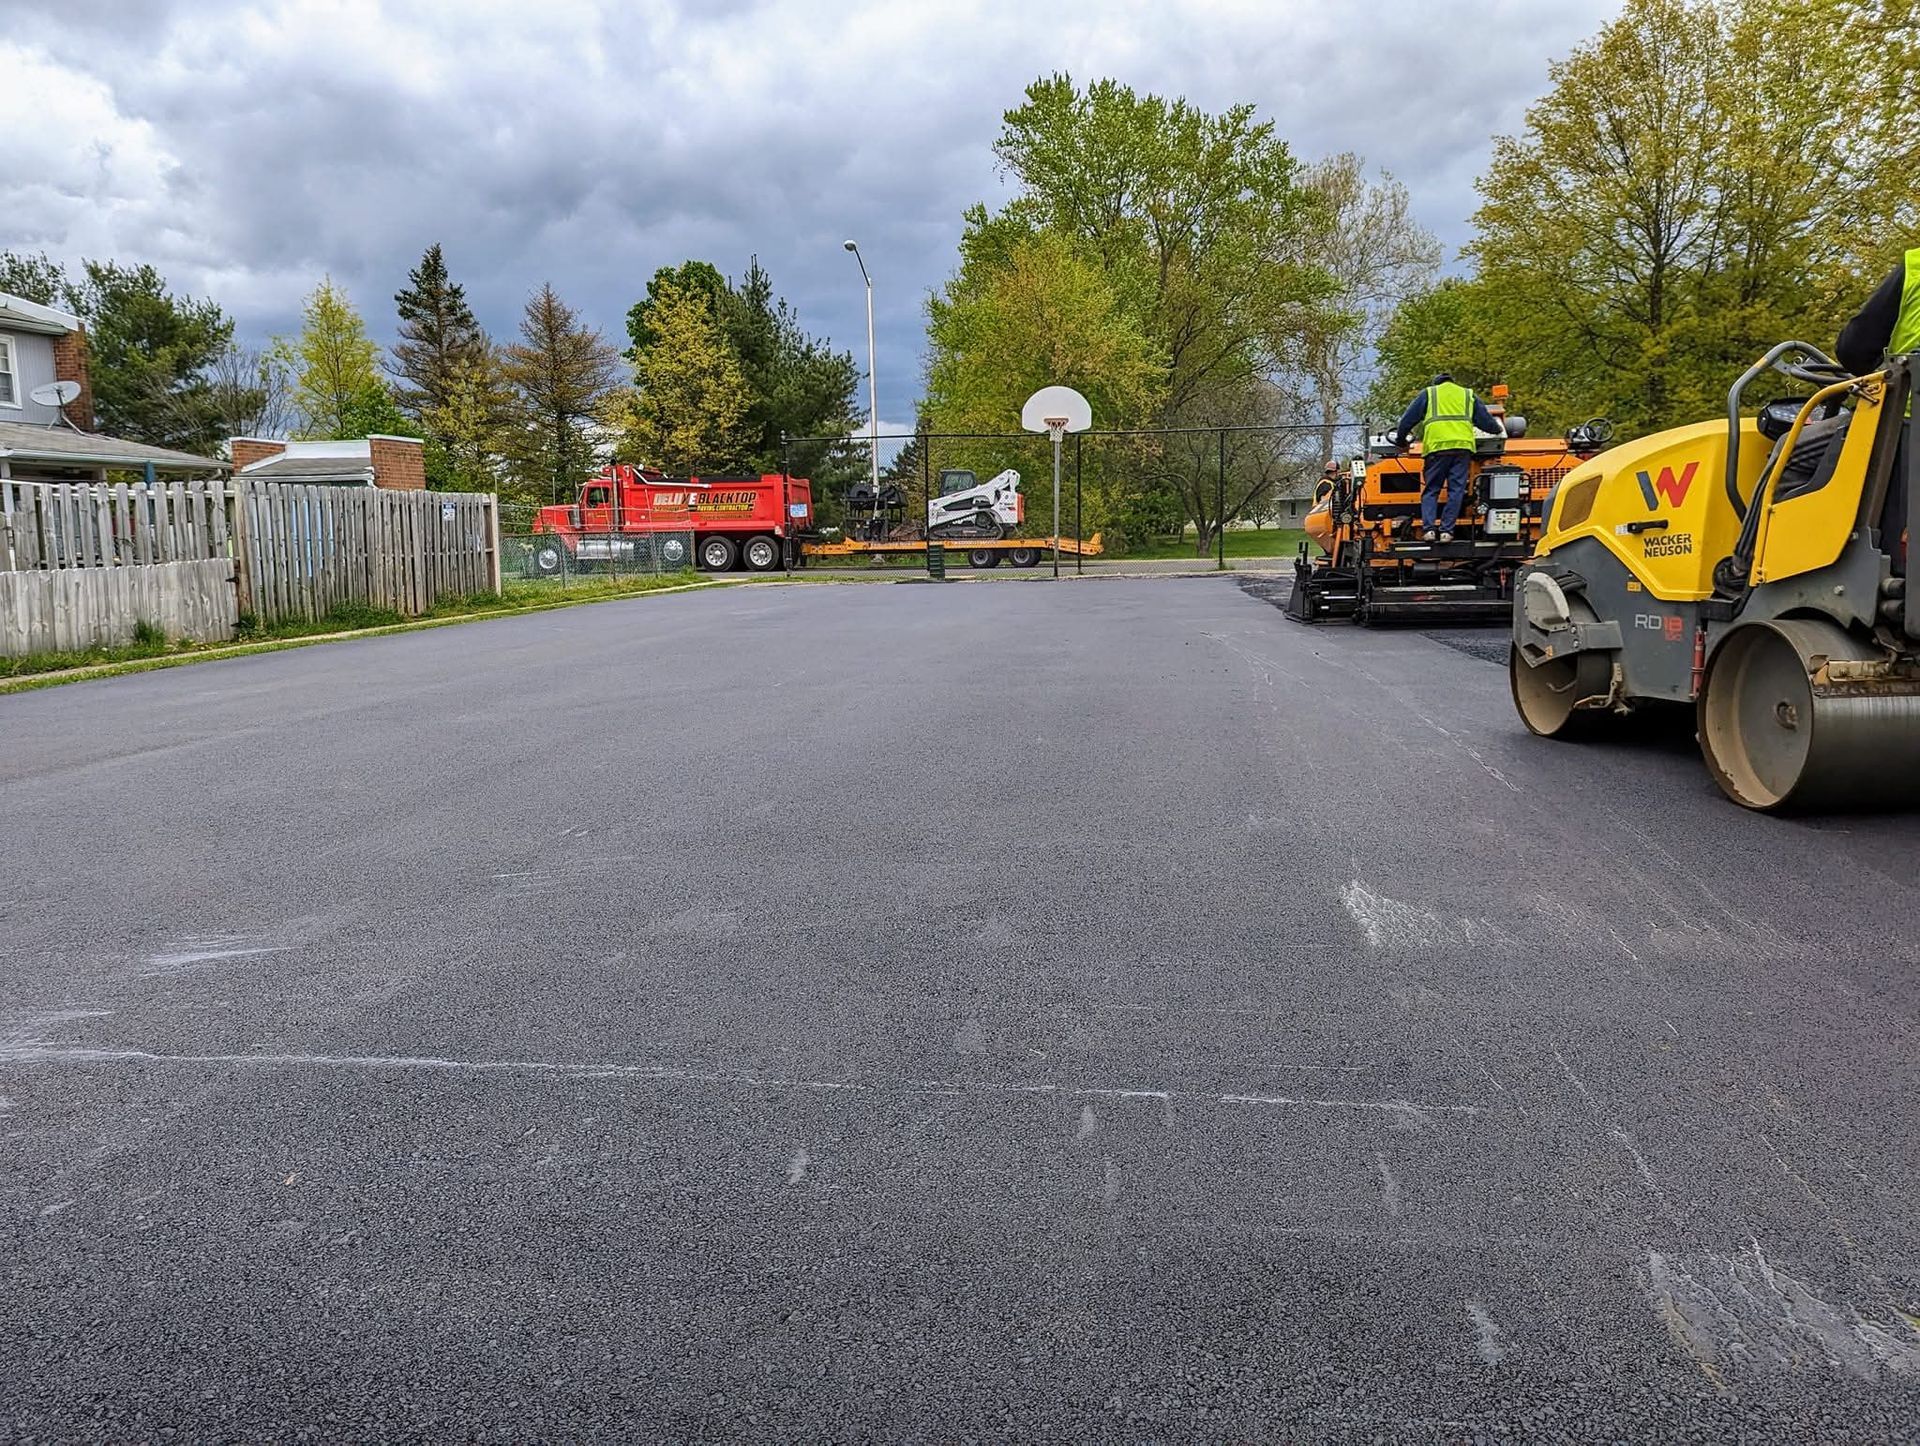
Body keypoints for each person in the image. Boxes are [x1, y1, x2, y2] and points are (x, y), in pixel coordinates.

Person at [1836, 251, 1917, 571]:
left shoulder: (1915, 268)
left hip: (1905, 427)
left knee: (1792, 460)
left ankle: (1747, 567)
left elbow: (1854, 349)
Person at [1392, 373, 1501, 541]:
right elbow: (1486, 422)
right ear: (1452, 382)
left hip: (1437, 448)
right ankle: (1446, 531)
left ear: (1436, 383)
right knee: (1456, 491)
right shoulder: (1467, 394)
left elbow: (1408, 419)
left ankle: (1429, 530)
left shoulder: (1429, 393)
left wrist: (1400, 440)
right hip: (1462, 449)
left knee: (1431, 490)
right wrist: (1498, 429)